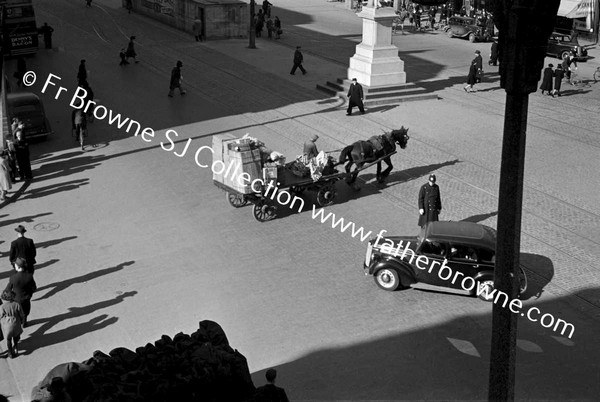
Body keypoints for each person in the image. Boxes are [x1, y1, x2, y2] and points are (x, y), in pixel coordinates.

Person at [5, 257, 37, 327]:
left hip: (16, 299)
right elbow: (34, 288)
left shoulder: (13, 277)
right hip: (26, 298)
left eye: (15, 265)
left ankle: (18, 323)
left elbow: (8, 289)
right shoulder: (29, 276)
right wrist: (30, 294)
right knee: (26, 311)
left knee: (17, 312)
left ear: (18, 267)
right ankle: (24, 321)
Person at [0, 290, 25, 359]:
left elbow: (1, 315)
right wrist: (22, 321)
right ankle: (16, 347)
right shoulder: (16, 304)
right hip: (16, 323)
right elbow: (22, 314)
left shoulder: (2, 306)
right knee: (15, 337)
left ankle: (10, 353)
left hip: (8, 325)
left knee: (8, 339)